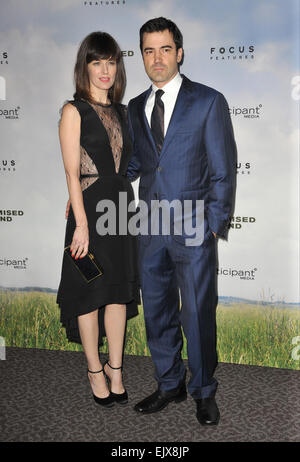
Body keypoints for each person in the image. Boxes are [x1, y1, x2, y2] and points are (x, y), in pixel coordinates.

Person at [127, 17, 236, 425]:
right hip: (150, 230)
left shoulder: (208, 101)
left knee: (196, 314)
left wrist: (213, 224)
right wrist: (98, 182)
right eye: (149, 51)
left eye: (165, 49)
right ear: (141, 55)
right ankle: (168, 383)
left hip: (194, 229)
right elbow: (139, 162)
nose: (157, 59)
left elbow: (224, 169)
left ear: (180, 52)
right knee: (157, 312)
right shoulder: (136, 107)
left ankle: (204, 390)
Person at [56, 31, 140, 408]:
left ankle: (116, 369)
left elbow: (129, 164)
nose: (105, 70)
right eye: (97, 62)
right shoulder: (74, 110)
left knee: (118, 294)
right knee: (90, 295)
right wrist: (81, 223)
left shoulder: (124, 112)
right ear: (85, 67)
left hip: (121, 208)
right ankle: (94, 370)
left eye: (111, 62)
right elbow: (72, 173)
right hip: (88, 212)